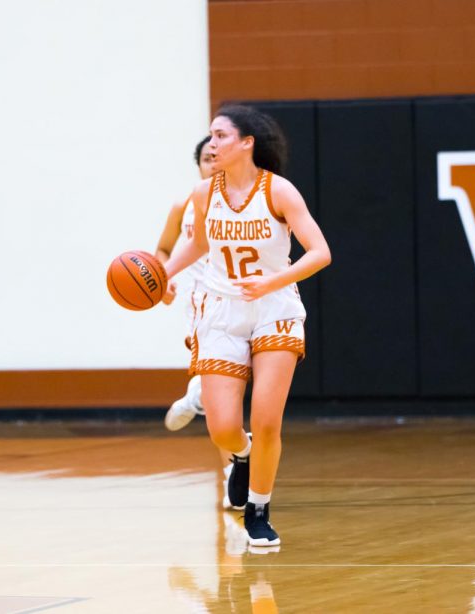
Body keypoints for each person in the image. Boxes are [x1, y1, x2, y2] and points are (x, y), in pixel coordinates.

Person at [163, 104, 331, 547]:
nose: (212, 144)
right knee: (222, 427)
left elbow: (320, 252)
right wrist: (162, 275)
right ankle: (241, 452)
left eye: (220, 136)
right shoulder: (204, 194)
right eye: (211, 137)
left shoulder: (279, 191)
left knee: (267, 418)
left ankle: (258, 509)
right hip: (220, 310)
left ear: (246, 142)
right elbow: (198, 243)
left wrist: (272, 280)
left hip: (274, 306)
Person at [157, 136, 214, 432]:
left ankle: (197, 397)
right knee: (222, 388)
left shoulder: (249, 201)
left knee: (227, 384)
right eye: (207, 159)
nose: (214, 164)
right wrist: (162, 279)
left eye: (218, 157)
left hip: (244, 296)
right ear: (198, 166)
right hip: (200, 302)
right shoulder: (184, 205)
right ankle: (232, 467)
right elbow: (164, 249)